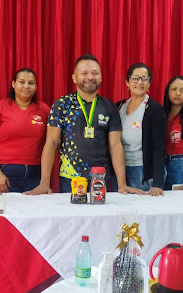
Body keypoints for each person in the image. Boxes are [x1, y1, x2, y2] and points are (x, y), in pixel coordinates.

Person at [25, 54, 142, 195]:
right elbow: (51, 142)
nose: (90, 77)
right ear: (74, 77)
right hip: (70, 177)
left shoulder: (110, 107)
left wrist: (122, 184)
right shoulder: (62, 104)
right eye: (84, 73)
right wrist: (44, 183)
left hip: (100, 178)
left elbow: (115, 146)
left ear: (101, 77)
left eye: (95, 73)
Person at [0, 68, 50, 193]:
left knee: (33, 211)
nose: (26, 86)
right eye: (22, 82)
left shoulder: (44, 110)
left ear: (36, 87)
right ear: (13, 84)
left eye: (31, 83)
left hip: (35, 173)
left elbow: (51, 142)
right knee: (5, 211)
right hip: (5, 172)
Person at [115, 63, 166, 196]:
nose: (140, 82)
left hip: (142, 172)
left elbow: (159, 148)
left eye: (144, 79)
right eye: (135, 78)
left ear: (149, 84)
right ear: (127, 82)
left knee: (139, 212)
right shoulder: (118, 107)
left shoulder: (155, 110)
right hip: (119, 170)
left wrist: (157, 183)